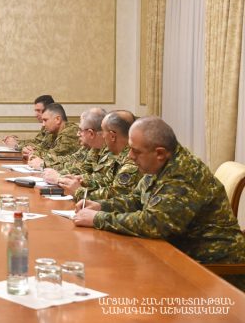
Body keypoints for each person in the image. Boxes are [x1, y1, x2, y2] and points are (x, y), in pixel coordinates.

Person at [73, 116, 245, 288]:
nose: (130, 156)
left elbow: (153, 224)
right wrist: (101, 206)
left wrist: (98, 218)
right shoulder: (159, 164)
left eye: (136, 151)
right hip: (177, 253)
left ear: (160, 153)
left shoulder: (182, 175)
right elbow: (136, 200)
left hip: (213, 268)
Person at [62, 110, 140, 200]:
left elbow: (115, 195)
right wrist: (82, 180)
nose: (101, 135)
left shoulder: (131, 160)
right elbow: (105, 180)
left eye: (102, 131)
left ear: (112, 136)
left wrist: (78, 191)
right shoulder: (115, 153)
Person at [28, 103, 80, 169]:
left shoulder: (71, 132)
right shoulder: (52, 132)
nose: (43, 124)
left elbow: (52, 156)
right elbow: (41, 147)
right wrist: (33, 152)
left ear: (58, 119)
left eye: (45, 120)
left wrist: (35, 154)